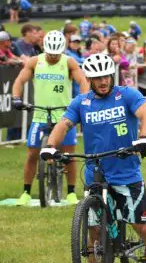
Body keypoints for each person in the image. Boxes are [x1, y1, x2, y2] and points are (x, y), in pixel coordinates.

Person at [41, 53, 146, 263]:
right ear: (89, 79)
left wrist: (143, 138)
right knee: (93, 230)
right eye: (96, 77)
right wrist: (50, 145)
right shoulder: (82, 102)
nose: (102, 81)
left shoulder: (127, 95)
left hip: (127, 173)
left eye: (105, 76)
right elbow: (64, 125)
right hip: (95, 174)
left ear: (111, 75)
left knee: (144, 228)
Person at [11, 31, 89, 206]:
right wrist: (16, 98)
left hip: (64, 116)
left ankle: (70, 192)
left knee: (68, 153)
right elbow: (19, 81)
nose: (53, 57)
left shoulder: (69, 62)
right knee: (32, 153)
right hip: (40, 114)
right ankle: (26, 192)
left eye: (56, 53)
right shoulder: (35, 61)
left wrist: (84, 99)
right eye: (50, 53)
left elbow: (83, 81)